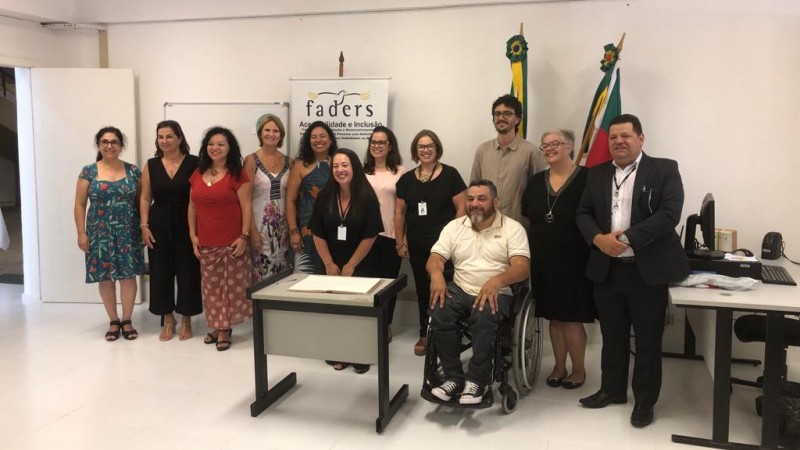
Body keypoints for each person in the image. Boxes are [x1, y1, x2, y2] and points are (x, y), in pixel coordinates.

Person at [575, 114, 690, 428]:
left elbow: (669, 214)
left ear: (641, 138)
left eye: (625, 136)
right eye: (613, 137)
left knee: (648, 340)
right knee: (612, 336)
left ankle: (644, 400)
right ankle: (612, 390)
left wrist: (624, 239)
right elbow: (583, 212)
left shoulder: (664, 169)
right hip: (607, 269)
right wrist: (599, 239)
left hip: (646, 270)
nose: (618, 142)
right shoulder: (595, 173)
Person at [426, 179, 530, 404]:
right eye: (470, 199)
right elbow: (436, 257)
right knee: (439, 308)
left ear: (495, 201)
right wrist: (436, 276)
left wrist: (497, 281)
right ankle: (453, 377)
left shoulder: (512, 228)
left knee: (483, 314)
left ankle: (478, 380)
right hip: (461, 288)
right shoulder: (454, 227)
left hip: (497, 292)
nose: (475, 204)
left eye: (482, 198)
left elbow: (522, 267)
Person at [521, 129, 595, 389]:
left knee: (571, 317)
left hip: (576, 260)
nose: (549, 148)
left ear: (571, 146)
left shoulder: (589, 179)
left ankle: (579, 369)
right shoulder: (536, 181)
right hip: (543, 260)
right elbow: (528, 216)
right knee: (553, 316)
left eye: (556, 143)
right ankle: (559, 366)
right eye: (545, 145)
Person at [310, 148, 383, 373]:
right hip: (331, 261)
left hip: (361, 261)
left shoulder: (368, 197)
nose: (340, 170)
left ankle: (360, 353)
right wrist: (329, 263)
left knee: (358, 311)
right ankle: (337, 350)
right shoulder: (325, 196)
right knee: (335, 309)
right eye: (336, 166)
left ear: (354, 168)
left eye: (345, 165)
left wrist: (351, 265)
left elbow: (370, 235)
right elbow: (317, 232)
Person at [395, 130, 466, 356]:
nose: (426, 150)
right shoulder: (406, 179)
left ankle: (448, 334)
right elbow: (399, 213)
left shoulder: (451, 175)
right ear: (415, 150)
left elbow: (462, 208)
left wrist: (452, 238)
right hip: (417, 243)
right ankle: (425, 334)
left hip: (445, 246)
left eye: (430, 146)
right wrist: (400, 242)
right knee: (423, 291)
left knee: (448, 289)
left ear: (437, 149)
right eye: (421, 146)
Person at [74, 126, 146, 341]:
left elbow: (142, 201)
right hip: (99, 232)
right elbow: (79, 204)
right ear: (99, 144)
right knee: (105, 278)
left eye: (114, 142)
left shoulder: (133, 171)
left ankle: (127, 319)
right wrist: (81, 233)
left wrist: (143, 226)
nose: (109, 146)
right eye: (104, 142)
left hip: (128, 231)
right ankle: (113, 320)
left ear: (121, 145)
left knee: (127, 276)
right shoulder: (89, 171)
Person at [188, 126, 253, 351]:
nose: (215, 148)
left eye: (221, 144)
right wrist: (192, 235)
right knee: (211, 288)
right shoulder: (198, 173)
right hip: (206, 242)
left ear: (229, 148)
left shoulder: (237, 174)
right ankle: (217, 324)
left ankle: (224, 329)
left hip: (232, 242)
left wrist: (244, 236)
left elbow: (247, 206)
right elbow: (192, 205)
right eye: (211, 144)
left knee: (230, 288)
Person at [140, 120, 202, 341]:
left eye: (169, 136)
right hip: (158, 221)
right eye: (160, 137)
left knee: (188, 270)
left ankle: (186, 318)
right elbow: (146, 197)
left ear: (179, 138)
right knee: (160, 271)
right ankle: (168, 319)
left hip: (188, 220)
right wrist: (144, 226)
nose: (164, 141)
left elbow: (200, 195)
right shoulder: (152, 164)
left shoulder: (195, 162)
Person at [471, 94, 546, 225]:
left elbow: (538, 192)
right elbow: (473, 190)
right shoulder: (482, 150)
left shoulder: (530, 151)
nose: (501, 117)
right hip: (486, 224)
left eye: (507, 113)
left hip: (518, 225)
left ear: (517, 119)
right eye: (497, 114)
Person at [364, 126, 406, 340]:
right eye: (374, 141)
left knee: (388, 283)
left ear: (390, 146)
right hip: (365, 237)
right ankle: (370, 324)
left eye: (382, 142)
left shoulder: (400, 171)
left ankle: (385, 324)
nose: (377, 146)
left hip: (390, 235)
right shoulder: (362, 171)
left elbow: (403, 209)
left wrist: (402, 238)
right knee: (368, 282)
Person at [244, 114, 292, 282]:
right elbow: (245, 200)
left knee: (282, 273)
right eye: (267, 130)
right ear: (260, 133)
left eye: (276, 130)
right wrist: (252, 231)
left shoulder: (289, 162)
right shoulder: (251, 160)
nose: (271, 134)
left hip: (282, 229)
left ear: (281, 135)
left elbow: (292, 197)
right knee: (261, 274)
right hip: (260, 227)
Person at [286, 121, 337, 274]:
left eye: (323, 136)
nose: (318, 140)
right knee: (306, 280)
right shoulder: (300, 166)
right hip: (307, 231)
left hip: (334, 230)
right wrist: (293, 231)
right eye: (314, 137)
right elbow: (290, 200)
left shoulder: (339, 163)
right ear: (308, 141)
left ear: (330, 140)